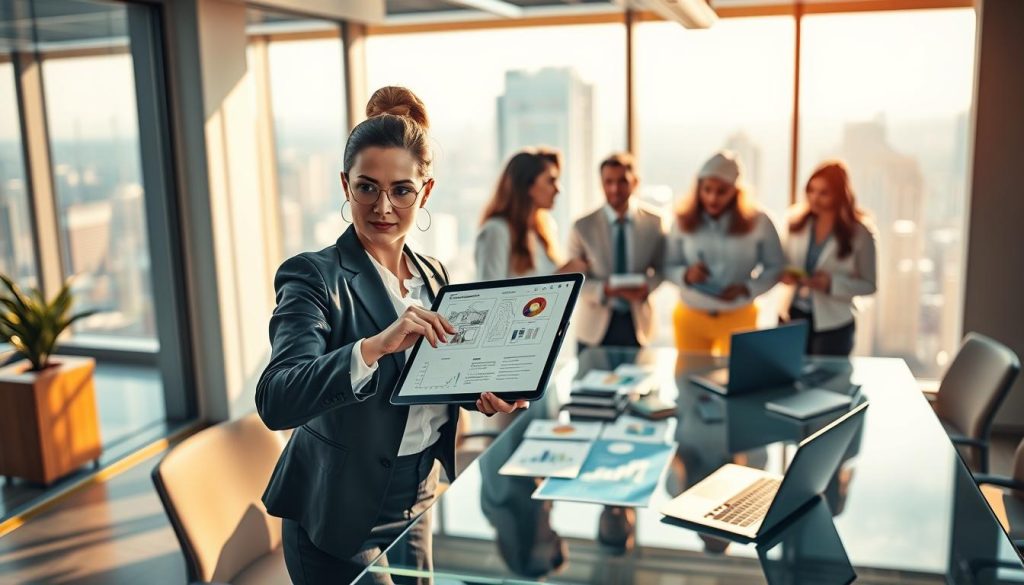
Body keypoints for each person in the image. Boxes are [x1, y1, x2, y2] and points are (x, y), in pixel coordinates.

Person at [255, 86, 527, 585]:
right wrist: (375, 346)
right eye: (367, 187)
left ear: (425, 192)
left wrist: (481, 393)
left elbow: (430, 376)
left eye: (402, 190)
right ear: (345, 185)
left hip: (418, 495)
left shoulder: (435, 274)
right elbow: (276, 398)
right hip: (336, 511)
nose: (383, 206)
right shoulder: (313, 277)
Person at [664, 151, 784, 355]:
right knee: (687, 381)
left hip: (739, 316)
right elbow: (665, 265)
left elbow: (776, 267)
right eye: (707, 190)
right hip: (690, 317)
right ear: (698, 188)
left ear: (736, 191)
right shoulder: (682, 220)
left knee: (739, 380)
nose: (712, 198)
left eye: (722, 191)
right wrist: (686, 275)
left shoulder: (760, 222)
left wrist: (747, 288)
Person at [567, 152, 666, 352]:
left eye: (622, 181)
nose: (615, 188)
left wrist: (646, 288)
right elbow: (573, 279)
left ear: (635, 182)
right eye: (608, 181)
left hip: (638, 323)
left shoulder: (655, 223)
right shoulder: (582, 227)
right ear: (601, 184)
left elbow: (663, 268)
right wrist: (603, 290)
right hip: (594, 326)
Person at [780, 160, 877, 356]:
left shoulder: (860, 233)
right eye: (811, 190)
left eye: (823, 193)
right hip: (793, 316)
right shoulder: (796, 224)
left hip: (834, 324)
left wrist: (830, 284)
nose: (814, 198)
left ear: (839, 195)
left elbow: (869, 285)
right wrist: (786, 276)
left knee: (827, 382)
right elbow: (782, 263)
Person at [476, 147, 567, 280]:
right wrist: (562, 276)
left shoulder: (545, 230)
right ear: (527, 185)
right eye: (551, 181)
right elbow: (489, 294)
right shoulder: (496, 231)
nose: (558, 189)